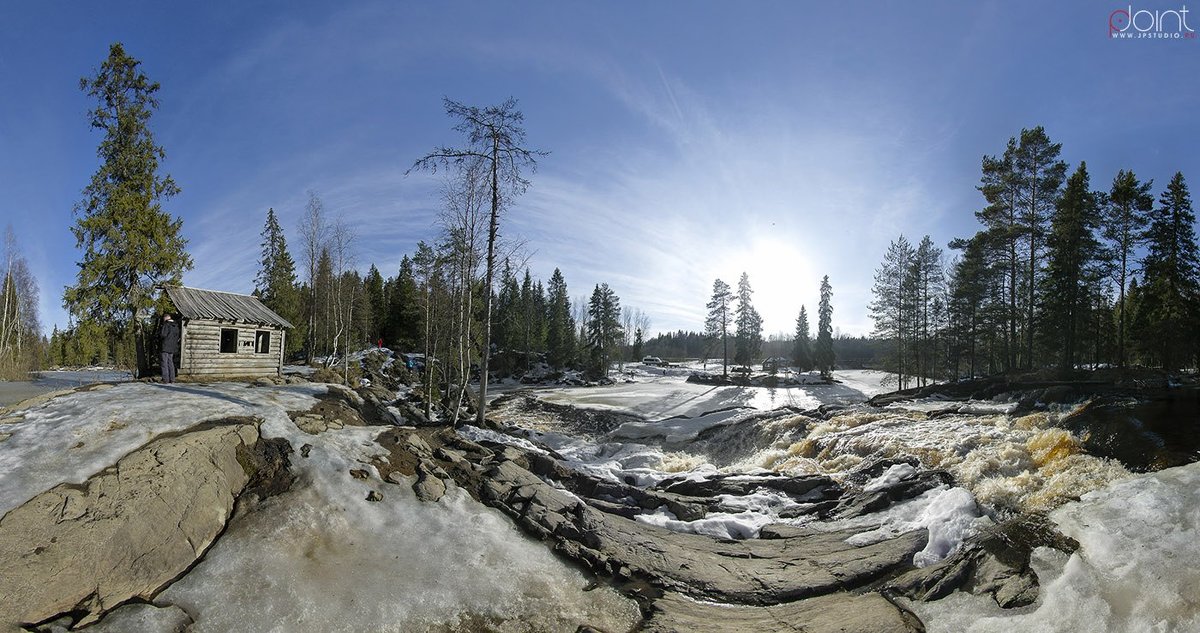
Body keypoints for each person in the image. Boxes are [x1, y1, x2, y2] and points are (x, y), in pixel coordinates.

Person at [160, 313, 181, 384]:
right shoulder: (176, 326)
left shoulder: (166, 325)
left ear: (165, 318)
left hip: (165, 346)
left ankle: (165, 379)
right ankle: (172, 379)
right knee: (170, 362)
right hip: (172, 347)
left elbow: (163, 334)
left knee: (164, 363)